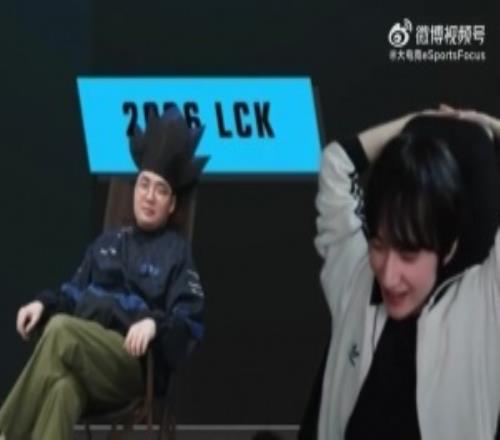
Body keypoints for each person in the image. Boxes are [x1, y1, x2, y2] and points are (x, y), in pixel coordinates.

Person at [0, 105, 208, 440]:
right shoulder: (106, 244)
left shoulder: (176, 253)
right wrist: (43, 303)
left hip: (132, 364)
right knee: (63, 389)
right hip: (86, 354)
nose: (149, 196)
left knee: (61, 330)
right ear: (134, 189)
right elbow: (71, 294)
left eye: (160, 190)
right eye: (144, 185)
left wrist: (155, 325)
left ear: (171, 204)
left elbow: (190, 321)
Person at [314, 107, 500, 439]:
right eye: (379, 246)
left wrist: (490, 127)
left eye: (409, 254)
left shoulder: (484, 304)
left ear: (448, 249)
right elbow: (336, 164)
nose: (388, 276)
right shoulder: (355, 278)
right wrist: (417, 122)